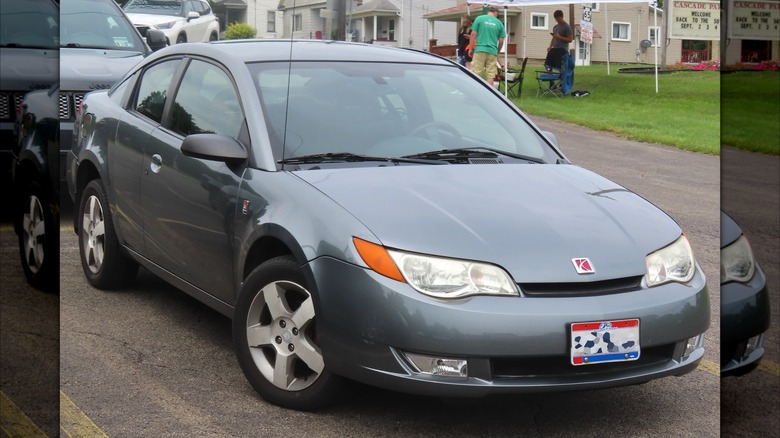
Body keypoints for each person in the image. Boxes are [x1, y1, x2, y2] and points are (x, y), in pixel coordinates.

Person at [468, 6, 506, 86]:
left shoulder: (479, 19)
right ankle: (489, 94)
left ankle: (475, 91)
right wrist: (497, 51)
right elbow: (501, 41)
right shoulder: (499, 23)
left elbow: (473, 34)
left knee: (476, 73)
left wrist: (470, 48)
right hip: (492, 51)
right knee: (490, 76)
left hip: (480, 49)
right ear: (496, 13)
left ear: (488, 11)